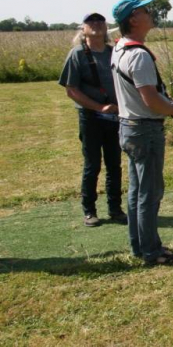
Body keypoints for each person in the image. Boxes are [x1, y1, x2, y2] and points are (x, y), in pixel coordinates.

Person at [111, 0, 173, 265]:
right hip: (145, 130)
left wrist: (168, 103)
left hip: (129, 127)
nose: (150, 13)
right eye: (145, 10)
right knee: (150, 192)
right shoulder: (139, 55)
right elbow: (151, 100)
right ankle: (152, 252)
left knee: (137, 191)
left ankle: (140, 246)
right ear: (133, 19)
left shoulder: (120, 48)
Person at [58, 13, 126, 227]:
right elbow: (71, 90)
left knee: (115, 164)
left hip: (114, 118)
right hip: (91, 118)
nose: (96, 25)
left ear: (106, 28)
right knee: (92, 165)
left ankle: (115, 209)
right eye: (91, 22)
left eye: (100, 22)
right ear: (83, 29)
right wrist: (99, 107)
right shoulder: (77, 54)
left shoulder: (112, 52)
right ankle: (89, 211)